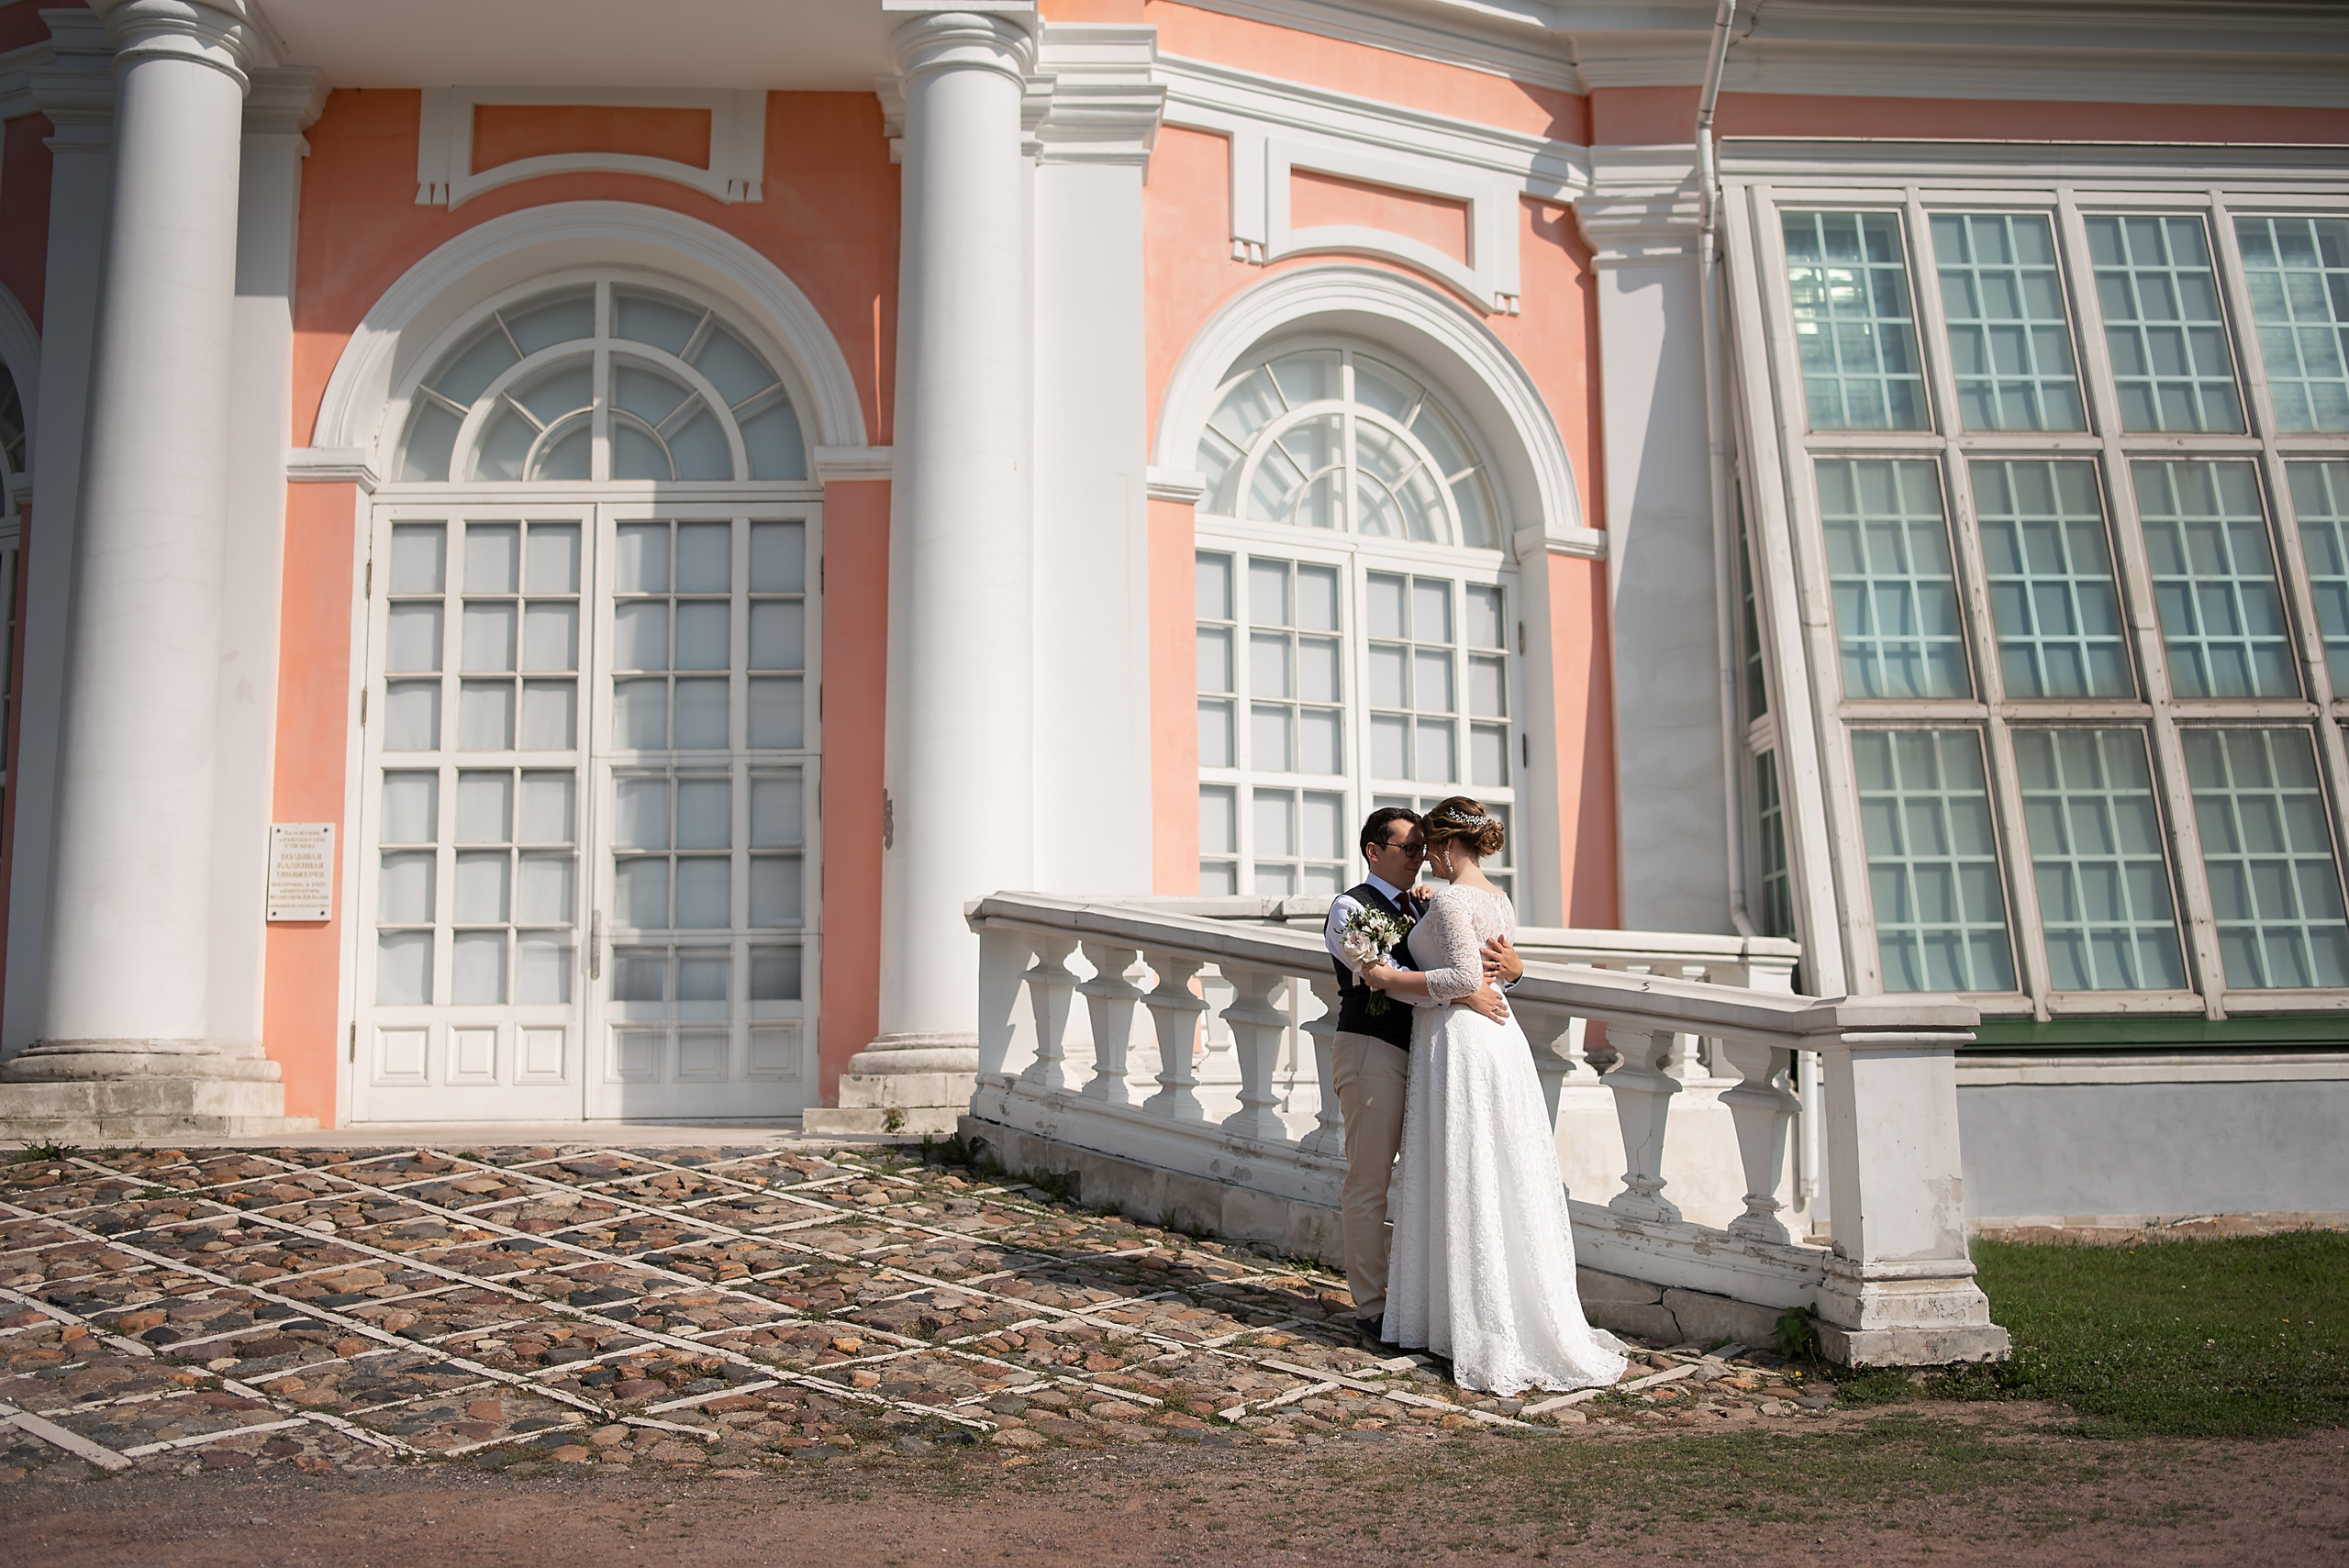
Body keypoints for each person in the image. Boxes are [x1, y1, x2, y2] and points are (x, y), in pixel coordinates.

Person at [1357, 795, 1627, 1395]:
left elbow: (1462, 977)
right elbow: (1494, 969)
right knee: (1493, 1171)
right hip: (1495, 1037)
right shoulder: (1496, 898)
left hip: (1463, 1039)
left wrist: (1388, 977)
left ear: (1449, 844)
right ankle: (1462, 1315)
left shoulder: (1454, 899)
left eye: (1430, 845)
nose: (1426, 857)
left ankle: (1477, 1326)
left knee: (1468, 1170)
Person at [1323, 806, 1521, 1349]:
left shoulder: (1429, 902)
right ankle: (1372, 1306)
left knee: (1436, 1178)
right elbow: (1380, 976)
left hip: (1438, 1056)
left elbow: (1479, 962)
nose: (1420, 856)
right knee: (1370, 1178)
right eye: (1408, 848)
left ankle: (1425, 1303)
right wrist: (1464, 990)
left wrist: (1512, 970)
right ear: (1374, 851)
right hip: (1374, 1050)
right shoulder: (1349, 909)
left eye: (1423, 847)